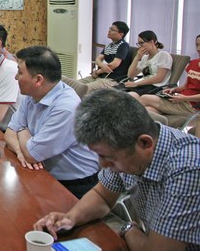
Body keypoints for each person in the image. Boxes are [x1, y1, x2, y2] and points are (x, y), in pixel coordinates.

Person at [34, 89, 200, 251]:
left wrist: (128, 229)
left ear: (145, 143)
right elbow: (102, 196)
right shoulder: (128, 151)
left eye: (109, 157)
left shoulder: (187, 169)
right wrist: (71, 218)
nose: (103, 165)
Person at [4, 46, 99, 199]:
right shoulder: (31, 94)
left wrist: (21, 130)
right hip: (41, 172)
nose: (16, 77)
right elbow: (9, 133)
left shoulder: (65, 107)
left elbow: (32, 155)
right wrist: (20, 151)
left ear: (38, 80)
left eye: (20, 73)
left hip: (75, 185)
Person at [137, 34, 200, 117]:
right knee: (149, 110)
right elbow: (185, 86)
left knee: (144, 98)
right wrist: (173, 90)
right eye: (197, 45)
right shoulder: (193, 63)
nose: (198, 49)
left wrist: (184, 98)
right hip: (181, 99)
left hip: (192, 106)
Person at [78, 21, 131, 90]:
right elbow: (98, 59)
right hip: (100, 77)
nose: (109, 31)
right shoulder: (109, 45)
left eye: (112, 30)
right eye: (110, 28)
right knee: (74, 84)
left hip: (112, 80)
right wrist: (102, 66)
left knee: (83, 89)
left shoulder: (123, 45)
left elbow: (114, 65)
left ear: (121, 34)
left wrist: (97, 72)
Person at [123, 30, 172, 97]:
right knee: (117, 92)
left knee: (127, 95)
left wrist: (136, 84)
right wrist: (136, 58)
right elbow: (130, 75)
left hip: (155, 87)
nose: (139, 46)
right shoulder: (145, 57)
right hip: (143, 85)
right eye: (138, 44)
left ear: (152, 42)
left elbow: (159, 78)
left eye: (141, 43)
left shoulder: (163, 55)